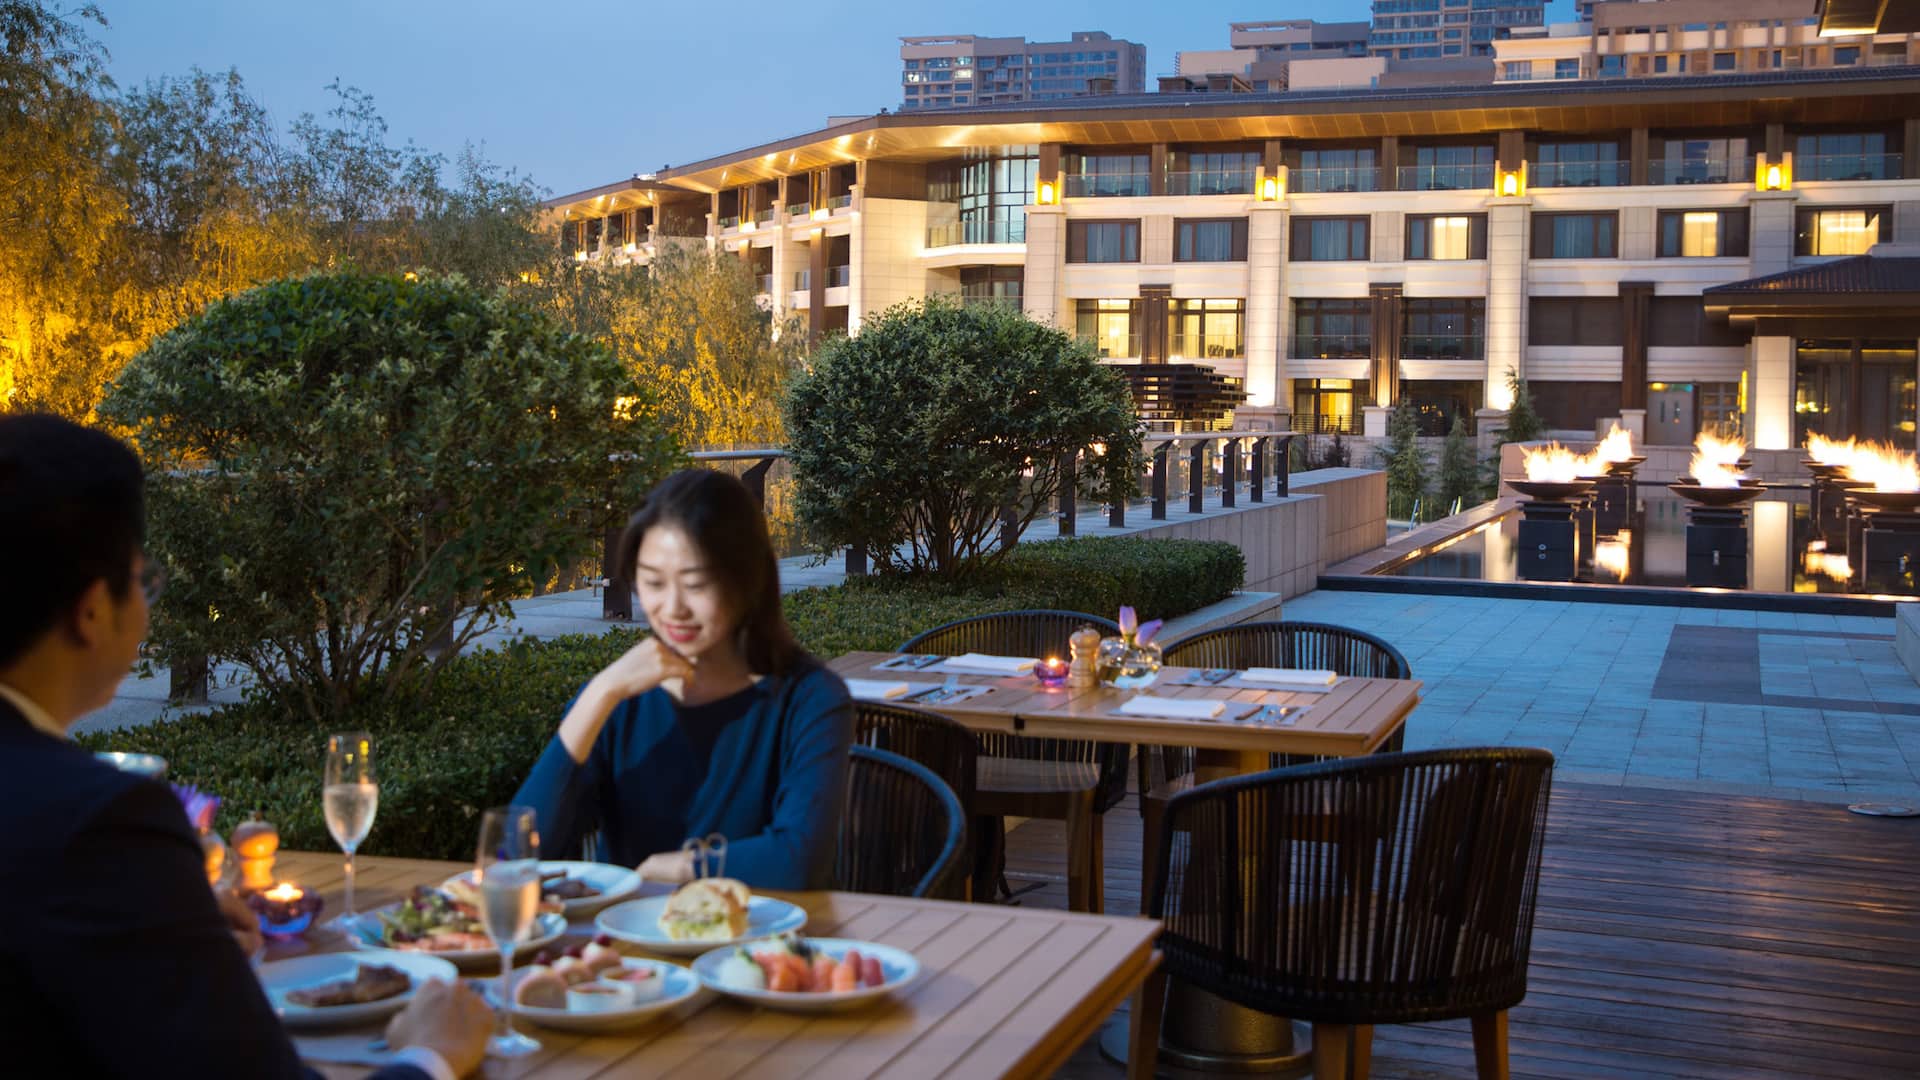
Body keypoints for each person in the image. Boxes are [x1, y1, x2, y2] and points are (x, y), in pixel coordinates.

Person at [0, 413, 491, 1079]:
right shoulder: (99, 823)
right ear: (92, 611)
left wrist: (160, 919)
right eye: (144, 582)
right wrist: (431, 1056)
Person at [514, 468, 852, 889]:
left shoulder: (809, 699)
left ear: (749, 579)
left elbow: (799, 860)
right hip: (623, 949)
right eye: (653, 582)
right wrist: (600, 693)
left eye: (696, 584)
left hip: (757, 947)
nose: (672, 608)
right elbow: (516, 858)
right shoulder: (619, 699)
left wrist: (684, 868)